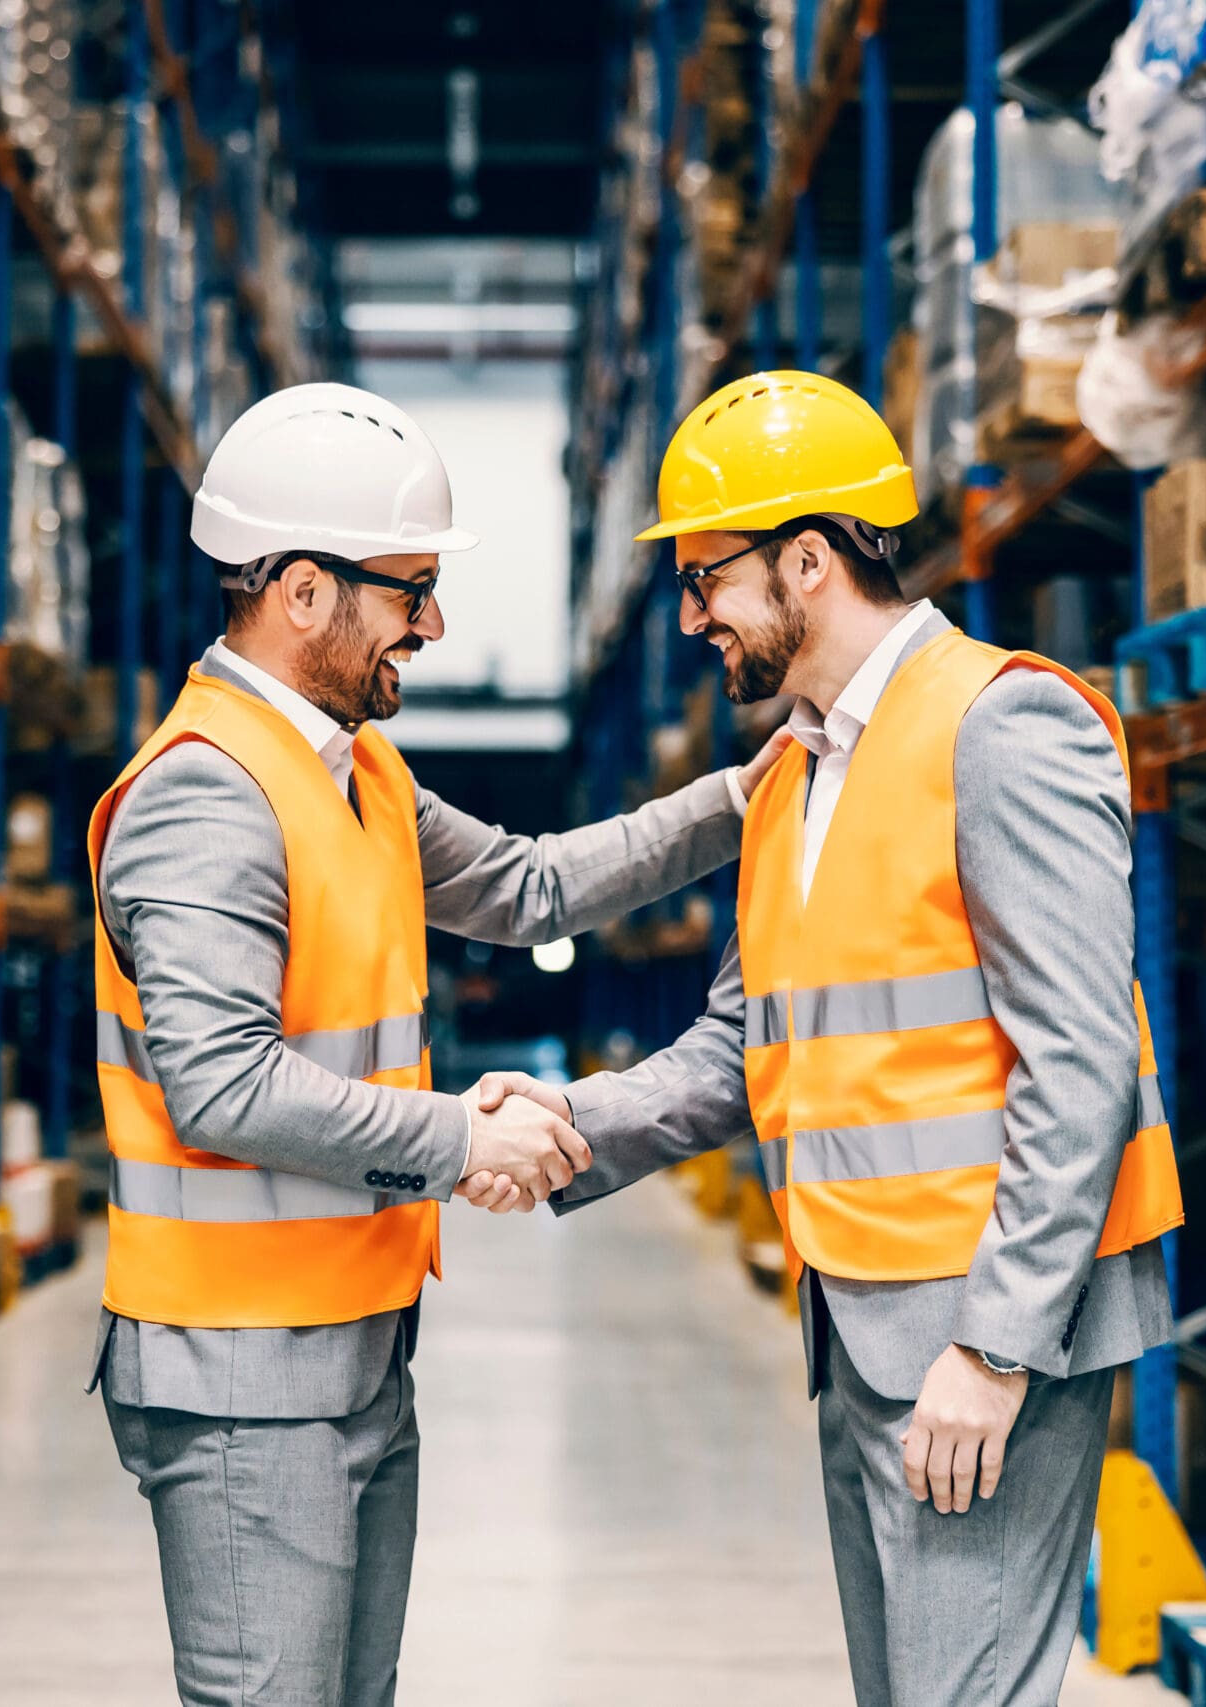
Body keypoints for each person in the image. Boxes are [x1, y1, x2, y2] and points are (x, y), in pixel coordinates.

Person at [468, 370, 1185, 1707]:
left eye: (706, 580)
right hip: (858, 1311)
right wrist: (567, 1124)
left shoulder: (1001, 724)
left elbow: (1078, 1063)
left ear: (808, 559)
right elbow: (749, 1039)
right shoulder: (792, 773)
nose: (691, 618)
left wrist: (996, 1346)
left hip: (983, 1327)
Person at [89, 381, 790, 1707]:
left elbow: (532, 889)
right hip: (242, 1367)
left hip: (353, 1339)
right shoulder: (206, 793)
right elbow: (220, 1084)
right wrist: (468, 1138)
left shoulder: (358, 772)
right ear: (301, 593)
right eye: (408, 590)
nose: (433, 622)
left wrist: (740, 799)